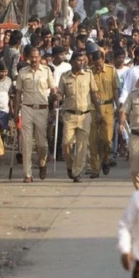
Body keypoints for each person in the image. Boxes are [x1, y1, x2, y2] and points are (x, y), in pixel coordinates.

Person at [15, 47, 56, 182]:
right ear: (28, 57)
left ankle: (42, 163)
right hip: (26, 108)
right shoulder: (22, 72)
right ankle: (28, 174)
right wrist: (16, 112)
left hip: (42, 109)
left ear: (40, 57)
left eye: (36, 57)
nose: (34, 60)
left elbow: (53, 89)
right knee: (26, 143)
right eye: (32, 57)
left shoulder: (47, 71)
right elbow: (18, 94)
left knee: (42, 144)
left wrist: (56, 101)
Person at [57, 51, 99, 183]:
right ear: (73, 61)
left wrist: (98, 110)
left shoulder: (88, 75)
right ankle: (70, 166)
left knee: (82, 146)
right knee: (66, 144)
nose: (81, 63)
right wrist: (56, 98)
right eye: (79, 60)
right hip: (69, 115)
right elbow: (60, 94)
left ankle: (77, 172)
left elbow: (94, 93)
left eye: (83, 60)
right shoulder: (65, 77)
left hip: (85, 115)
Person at [89, 50, 119, 177]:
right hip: (92, 108)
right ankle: (95, 168)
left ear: (103, 59)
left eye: (100, 63)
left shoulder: (111, 70)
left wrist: (118, 106)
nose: (98, 66)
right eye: (96, 64)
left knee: (107, 139)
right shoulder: (89, 72)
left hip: (107, 106)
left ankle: (105, 159)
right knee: (93, 140)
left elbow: (116, 89)